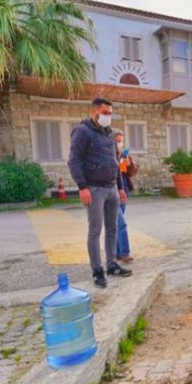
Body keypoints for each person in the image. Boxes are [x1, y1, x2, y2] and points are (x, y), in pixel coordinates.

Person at [68, 97, 132, 288]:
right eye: (105, 113)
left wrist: (120, 188)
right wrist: (82, 187)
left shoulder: (110, 134)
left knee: (112, 228)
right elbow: (74, 161)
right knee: (95, 230)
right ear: (93, 112)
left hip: (111, 187)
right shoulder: (82, 131)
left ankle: (112, 264)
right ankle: (97, 270)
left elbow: (115, 162)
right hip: (93, 189)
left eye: (110, 114)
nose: (108, 117)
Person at [114, 130, 136, 263]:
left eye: (121, 140)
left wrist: (127, 159)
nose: (119, 143)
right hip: (112, 190)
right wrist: (118, 157)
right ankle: (124, 252)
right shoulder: (109, 154)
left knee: (117, 221)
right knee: (120, 222)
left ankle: (118, 252)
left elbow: (130, 169)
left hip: (123, 187)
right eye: (117, 140)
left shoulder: (124, 154)